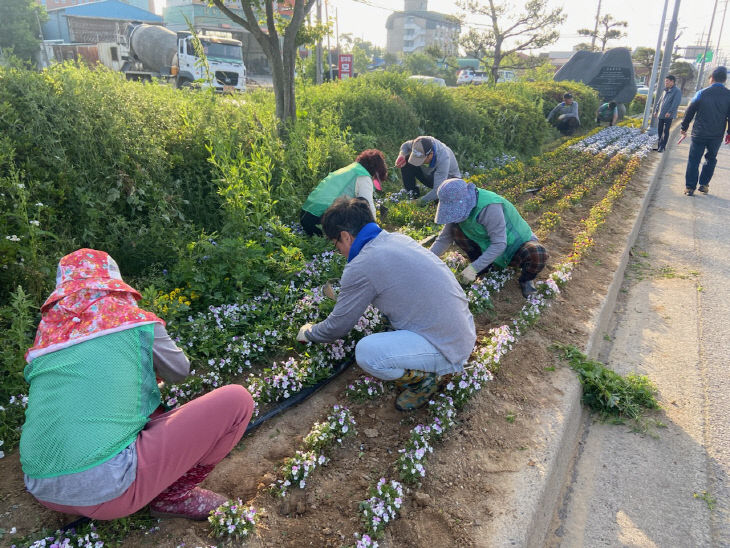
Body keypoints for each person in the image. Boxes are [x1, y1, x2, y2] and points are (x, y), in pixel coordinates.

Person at [19, 249, 254, 521]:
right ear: (113, 283)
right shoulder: (135, 322)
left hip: (41, 485)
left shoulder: (46, 341)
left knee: (137, 412)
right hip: (108, 491)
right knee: (237, 401)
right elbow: (179, 370)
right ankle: (174, 497)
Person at [296, 198, 476, 411]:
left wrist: (309, 333)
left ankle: (423, 381)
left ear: (345, 236)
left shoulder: (361, 265)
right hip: (462, 330)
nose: (339, 252)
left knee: (367, 353)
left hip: (447, 349)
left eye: (336, 245)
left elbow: (338, 327)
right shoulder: (397, 239)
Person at [429, 178, 548, 299]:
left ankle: (526, 280)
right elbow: (444, 239)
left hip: (514, 247)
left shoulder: (489, 207)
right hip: (488, 245)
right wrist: (426, 259)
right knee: (455, 230)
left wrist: (473, 269)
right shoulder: (458, 211)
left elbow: (499, 244)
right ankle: (485, 268)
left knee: (537, 253)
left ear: (465, 201)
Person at [300, 149, 388, 236]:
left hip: (306, 214)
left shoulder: (349, 169)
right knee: (359, 207)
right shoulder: (363, 176)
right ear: (376, 172)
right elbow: (368, 206)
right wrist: (375, 231)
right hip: (321, 219)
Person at [680, 66, 730, 196]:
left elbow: (690, 111)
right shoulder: (729, 95)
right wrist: (729, 133)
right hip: (716, 135)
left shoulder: (701, 93)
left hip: (699, 133)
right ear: (725, 80)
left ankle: (690, 188)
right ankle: (704, 184)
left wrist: (684, 127)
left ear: (711, 78)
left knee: (694, 159)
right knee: (711, 158)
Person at [395, 135, 461, 203]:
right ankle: (412, 195)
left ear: (431, 154)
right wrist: (402, 155)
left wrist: (417, 202)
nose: (418, 162)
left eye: (421, 159)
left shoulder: (443, 158)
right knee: (406, 159)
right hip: (431, 173)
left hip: (448, 182)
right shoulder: (418, 143)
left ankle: (417, 201)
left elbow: (438, 190)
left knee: (439, 199)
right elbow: (405, 146)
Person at [652, 75, 682, 152]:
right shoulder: (665, 90)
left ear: (672, 82)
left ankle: (662, 146)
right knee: (659, 130)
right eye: (665, 81)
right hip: (661, 114)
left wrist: (670, 112)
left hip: (668, 115)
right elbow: (660, 101)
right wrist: (656, 110)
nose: (666, 83)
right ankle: (659, 146)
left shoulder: (677, 91)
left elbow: (675, 103)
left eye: (667, 81)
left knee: (666, 131)